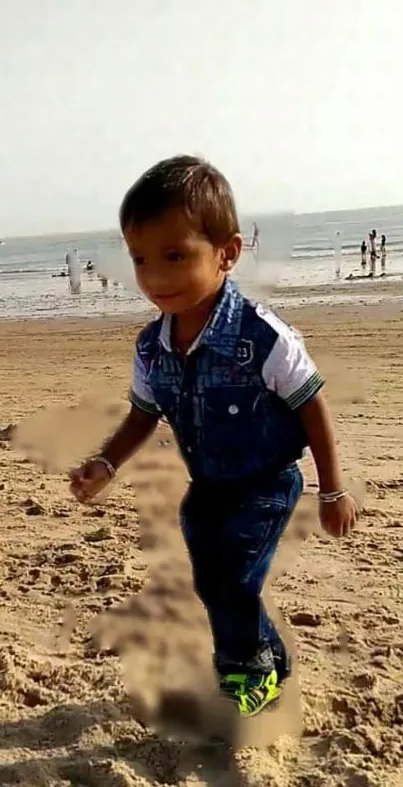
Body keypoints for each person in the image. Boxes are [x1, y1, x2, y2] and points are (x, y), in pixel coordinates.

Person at [69, 155, 358, 719]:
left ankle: (247, 676)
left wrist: (332, 490)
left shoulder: (264, 338)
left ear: (227, 252)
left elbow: (312, 405)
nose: (155, 277)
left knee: (231, 579)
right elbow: (142, 415)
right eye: (141, 260)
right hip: (207, 489)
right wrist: (105, 464)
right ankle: (269, 652)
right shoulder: (152, 347)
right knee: (215, 581)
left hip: (266, 484)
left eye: (175, 256)